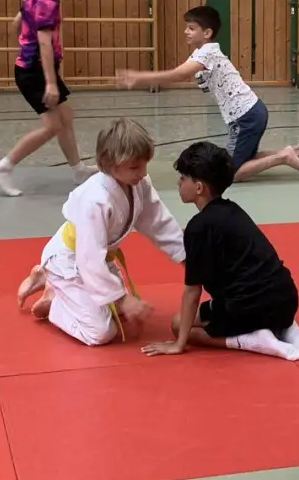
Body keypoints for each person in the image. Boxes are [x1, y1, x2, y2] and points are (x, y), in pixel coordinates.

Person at [142, 141, 299, 360]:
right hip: (286, 299)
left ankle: (253, 339)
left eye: (183, 178)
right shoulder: (234, 210)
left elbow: (192, 291)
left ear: (199, 187)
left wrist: (179, 343)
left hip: (250, 307)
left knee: (178, 325)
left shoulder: (198, 227)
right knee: (238, 301)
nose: (179, 183)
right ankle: (285, 328)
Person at [17, 119, 185, 345]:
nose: (142, 172)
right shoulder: (95, 199)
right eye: (134, 167)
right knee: (101, 332)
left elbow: (157, 222)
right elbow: (88, 258)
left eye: (145, 164)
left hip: (98, 260)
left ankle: (53, 284)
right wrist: (122, 299)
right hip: (71, 261)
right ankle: (56, 299)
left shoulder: (139, 183)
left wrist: (185, 256)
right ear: (110, 165)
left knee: (124, 315)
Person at [114, 5, 299, 182]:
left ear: (207, 33)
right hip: (248, 113)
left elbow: (178, 75)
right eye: (186, 27)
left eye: (191, 28)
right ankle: (297, 150)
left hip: (245, 117)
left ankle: (284, 156)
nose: (186, 32)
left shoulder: (208, 52)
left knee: (229, 174)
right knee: (244, 158)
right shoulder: (201, 53)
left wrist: (139, 77)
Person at [0, 0, 90, 196]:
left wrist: (23, 44)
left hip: (34, 65)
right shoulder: (48, 1)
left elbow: (16, 23)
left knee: (65, 116)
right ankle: (4, 166)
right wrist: (51, 82)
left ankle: (78, 169)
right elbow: (44, 41)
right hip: (36, 70)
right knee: (52, 125)